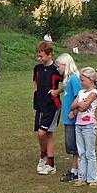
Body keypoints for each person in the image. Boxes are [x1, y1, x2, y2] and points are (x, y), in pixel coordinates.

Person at [70, 67, 97, 188]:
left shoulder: (94, 93)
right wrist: (77, 105)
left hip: (89, 125)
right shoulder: (80, 93)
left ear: (90, 80)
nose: (81, 82)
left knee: (90, 153)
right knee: (81, 152)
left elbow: (84, 106)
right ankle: (82, 177)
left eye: (82, 80)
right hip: (78, 125)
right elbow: (72, 105)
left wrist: (77, 106)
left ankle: (92, 179)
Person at [33, 41, 63, 175]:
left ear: (50, 55)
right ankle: (49, 161)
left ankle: (43, 155)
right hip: (40, 106)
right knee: (47, 133)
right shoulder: (37, 68)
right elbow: (35, 82)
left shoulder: (56, 70)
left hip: (52, 106)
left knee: (43, 132)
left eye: (42, 56)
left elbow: (68, 82)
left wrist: (58, 91)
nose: (40, 59)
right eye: (38, 56)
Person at [56, 53, 82, 182]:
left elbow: (79, 96)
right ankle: (76, 169)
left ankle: (76, 170)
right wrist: (57, 92)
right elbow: (66, 88)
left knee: (73, 145)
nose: (57, 68)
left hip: (72, 118)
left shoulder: (74, 79)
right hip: (68, 118)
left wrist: (74, 112)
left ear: (66, 65)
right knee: (71, 144)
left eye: (59, 66)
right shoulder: (69, 79)